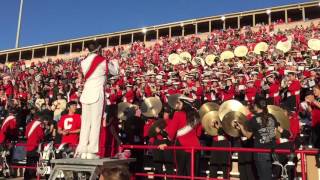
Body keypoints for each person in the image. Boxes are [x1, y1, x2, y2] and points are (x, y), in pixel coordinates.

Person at [236, 99, 286, 180]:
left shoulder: (253, 119)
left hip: (260, 151)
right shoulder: (272, 116)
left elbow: (248, 136)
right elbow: (276, 132)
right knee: (270, 176)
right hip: (273, 150)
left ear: (256, 106)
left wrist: (241, 128)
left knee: (263, 176)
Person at [76, 43, 108, 159]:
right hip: (97, 94)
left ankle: (82, 149)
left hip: (86, 93)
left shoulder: (83, 62)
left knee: (85, 123)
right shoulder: (101, 60)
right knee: (95, 123)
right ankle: (92, 151)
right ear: (98, 50)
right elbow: (114, 71)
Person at [159, 95, 202, 176]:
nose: (176, 105)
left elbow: (171, 132)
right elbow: (199, 133)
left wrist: (166, 143)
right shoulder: (196, 115)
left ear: (184, 104)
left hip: (182, 146)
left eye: (178, 103)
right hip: (195, 146)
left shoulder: (178, 114)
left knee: (181, 173)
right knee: (193, 174)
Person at [24, 112, 44, 179]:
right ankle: (33, 175)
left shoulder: (29, 124)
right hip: (35, 145)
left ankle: (26, 176)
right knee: (35, 162)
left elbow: (26, 135)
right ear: (39, 117)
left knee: (28, 162)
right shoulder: (39, 124)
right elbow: (40, 135)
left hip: (28, 145)